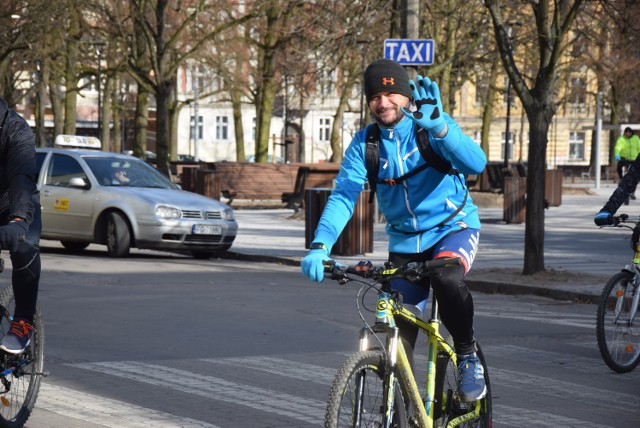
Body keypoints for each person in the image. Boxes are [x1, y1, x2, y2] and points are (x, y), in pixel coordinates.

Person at [301, 58, 487, 402]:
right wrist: (320, 245)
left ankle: (466, 353)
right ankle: (403, 409)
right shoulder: (365, 144)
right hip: (405, 241)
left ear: (406, 96)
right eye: (375, 95)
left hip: (453, 228)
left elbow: (477, 163)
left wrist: (443, 128)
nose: (383, 102)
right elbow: (343, 196)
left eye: (391, 93)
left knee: (447, 279)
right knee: (398, 337)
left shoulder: (428, 126)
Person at [0, 98, 42, 354]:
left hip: (15, 204)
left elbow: (22, 177)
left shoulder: (15, 129)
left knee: (24, 245)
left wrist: (17, 219)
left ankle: (24, 321)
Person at [614, 127, 640, 199]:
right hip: (624, 158)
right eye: (626, 132)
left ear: (631, 133)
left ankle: (632, 193)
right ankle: (621, 179)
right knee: (619, 167)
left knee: (634, 176)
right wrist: (617, 154)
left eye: (629, 132)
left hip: (634, 159)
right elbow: (618, 147)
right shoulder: (621, 139)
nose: (628, 133)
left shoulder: (636, 139)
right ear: (624, 133)